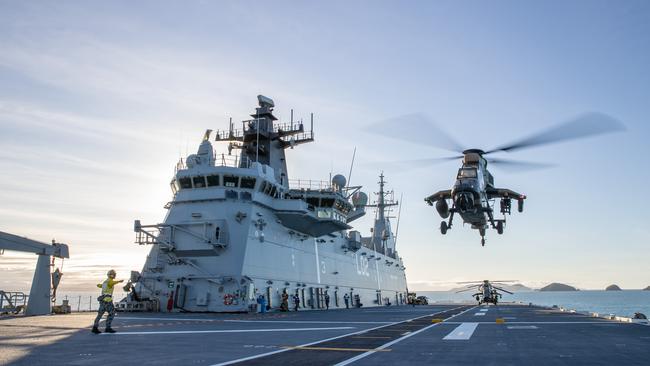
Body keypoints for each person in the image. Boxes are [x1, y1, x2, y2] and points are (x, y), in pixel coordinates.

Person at [92, 269, 124, 334]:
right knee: (112, 313)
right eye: (114, 274)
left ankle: (95, 328)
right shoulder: (110, 281)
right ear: (112, 275)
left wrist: (99, 285)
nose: (115, 275)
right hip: (108, 300)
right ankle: (108, 328)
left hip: (102, 300)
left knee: (100, 315)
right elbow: (112, 283)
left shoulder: (105, 282)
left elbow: (100, 286)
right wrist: (119, 281)